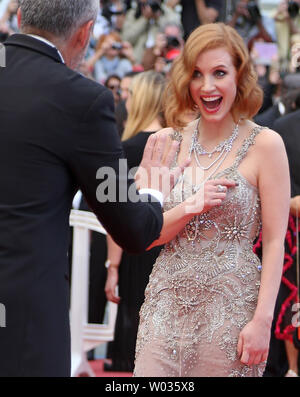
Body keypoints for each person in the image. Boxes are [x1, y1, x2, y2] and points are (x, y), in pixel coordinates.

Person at [0, 0, 187, 377]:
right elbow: (133, 228)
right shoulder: (80, 99)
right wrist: (151, 192)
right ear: (86, 32)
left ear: (20, 18)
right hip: (24, 320)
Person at [133, 22, 290, 377]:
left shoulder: (266, 145)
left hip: (231, 312)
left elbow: (275, 239)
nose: (207, 87)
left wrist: (263, 321)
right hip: (164, 308)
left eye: (219, 73)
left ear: (240, 75)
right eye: (197, 74)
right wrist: (192, 205)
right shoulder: (165, 143)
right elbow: (145, 237)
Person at [104, 71, 166, 372]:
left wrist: (112, 267)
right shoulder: (177, 144)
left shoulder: (124, 150)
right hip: (170, 250)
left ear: (139, 100)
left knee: (132, 354)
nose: (124, 101)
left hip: (136, 251)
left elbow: (114, 215)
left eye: (129, 96)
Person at [121, 0, 181, 64]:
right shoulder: (133, 13)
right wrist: (144, 19)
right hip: (136, 60)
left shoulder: (168, 13)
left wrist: (158, 18)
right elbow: (126, 39)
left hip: (160, 61)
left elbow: (176, 37)